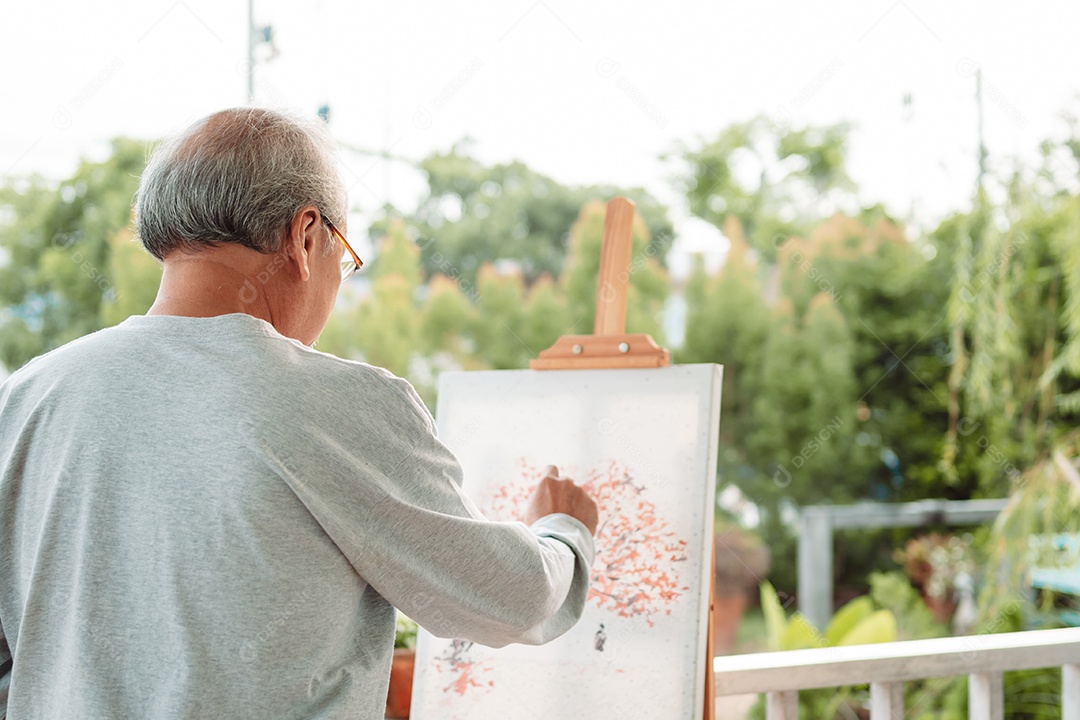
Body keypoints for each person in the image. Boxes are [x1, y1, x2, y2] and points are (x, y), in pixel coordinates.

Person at [0, 107, 599, 719]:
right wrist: (564, 533)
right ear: (305, 235)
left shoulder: (29, 396)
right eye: (344, 252)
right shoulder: (336, 403)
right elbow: (507, 596)